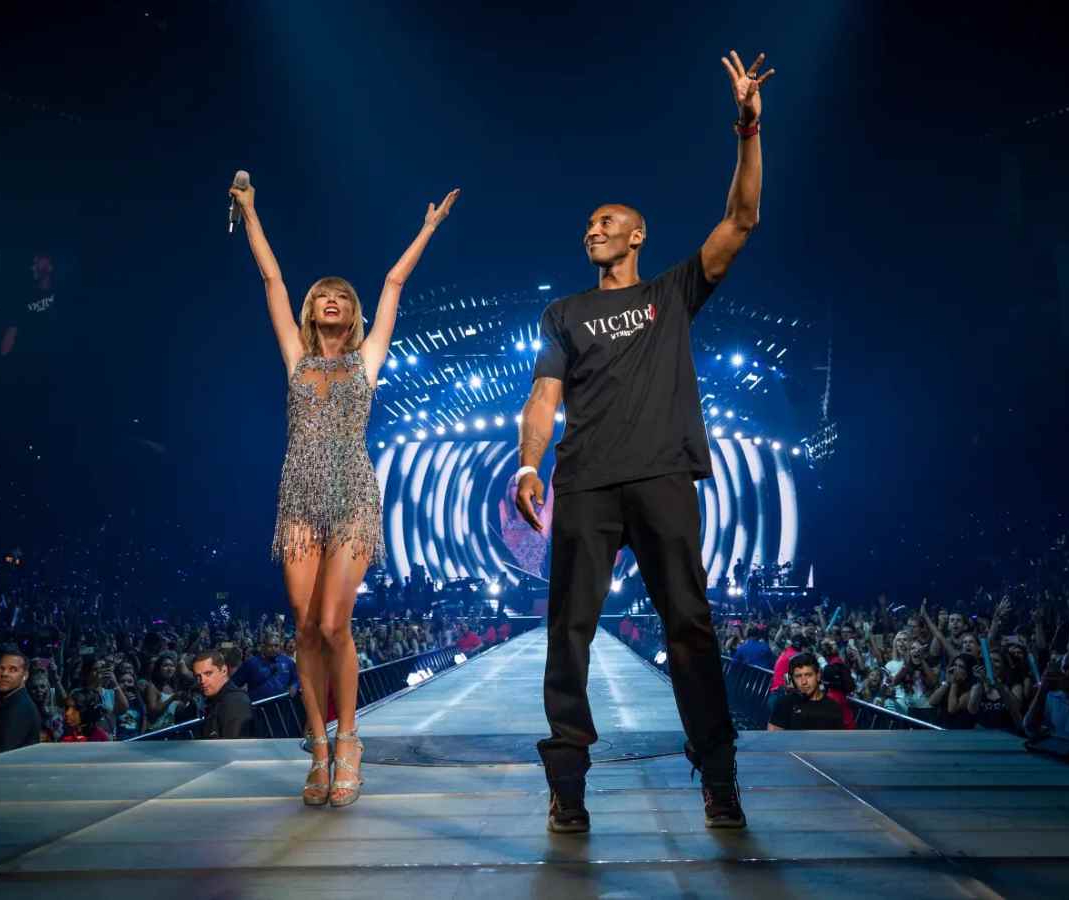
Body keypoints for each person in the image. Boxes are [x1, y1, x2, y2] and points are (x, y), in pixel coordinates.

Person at [513, 50, 773, 833]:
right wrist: (530, 463)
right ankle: (568, 784)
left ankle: (718, 777)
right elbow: (543, 395)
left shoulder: (671, 293)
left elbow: (742, 220)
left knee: (688, 624)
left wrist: (747, 128)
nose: (592, 229)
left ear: (636, 235)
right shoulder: (564, 313)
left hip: (662, 476)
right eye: (589, 224)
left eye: (607, 222)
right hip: (587, 483)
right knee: (569, 633)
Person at [230, 175, 459, 808]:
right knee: (303, 627)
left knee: (335, 624)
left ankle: (351, 737)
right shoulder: (294, 358)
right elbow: (273, 281)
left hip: (354, 493)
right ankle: (320, 745)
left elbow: (392, 284)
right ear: (311, 309)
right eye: (322, 294)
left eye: (340, 295)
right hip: (298, 497)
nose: (331, 298)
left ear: (352, 312)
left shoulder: (368, 359)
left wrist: (428, 229)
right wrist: (250, 210)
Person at [0, 645, 41, 757]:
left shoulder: (20, 708)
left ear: (25, 676)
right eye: (1, 668)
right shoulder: (9, 700)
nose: (4, 674)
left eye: (13, 669)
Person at [1, 252, 58, 355]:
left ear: (50, 267)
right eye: (33, 263)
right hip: (30, 360)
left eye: (37, 263)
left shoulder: (62, 293)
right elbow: (11, 333)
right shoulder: (24, 297)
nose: (32, 267)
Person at [768, 654, 845, 731]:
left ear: (818, 676)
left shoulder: (833, 708)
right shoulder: (784, 704)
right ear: (793, 679)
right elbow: (773, 738)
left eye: (808, 675)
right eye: (798, 676)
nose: (804, 682)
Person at [192, 650, 253, 740]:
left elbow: (234, 747)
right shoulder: (217, 699)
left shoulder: (235, 701)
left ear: (224, 670)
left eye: (208, 673)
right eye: (198, 676)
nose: (202, 681)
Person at [231, 628, 299, 702]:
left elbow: (296, 678)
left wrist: (294, 685)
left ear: (280, 646)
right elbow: (234, 684)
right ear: (263, 646)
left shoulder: (287, 661)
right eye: (270, 646)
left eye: (276, 646)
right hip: (259, 710)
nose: (273, 649)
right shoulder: (251, 663)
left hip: (282, 709)